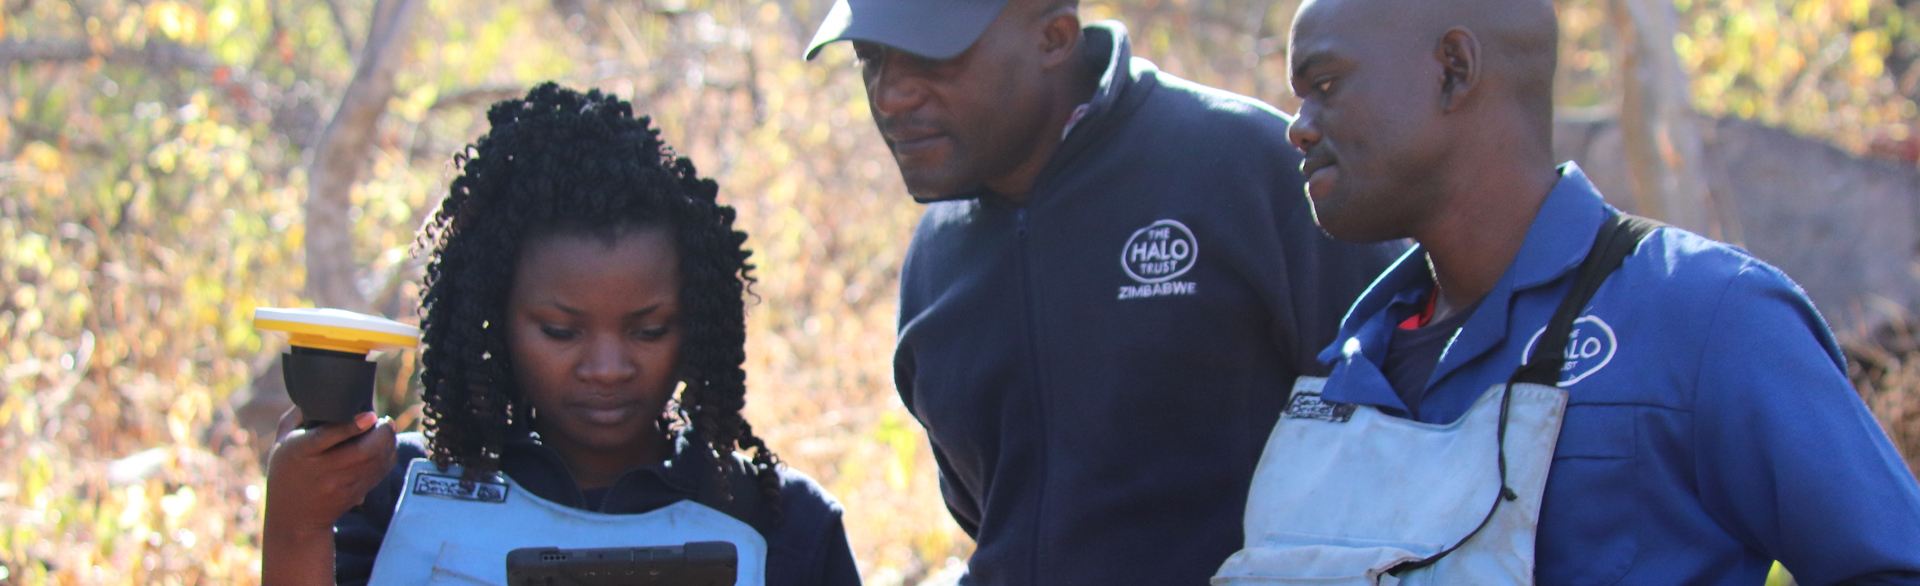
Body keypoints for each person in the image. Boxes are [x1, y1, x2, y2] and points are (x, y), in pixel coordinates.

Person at [1214, 0, 1920, 583]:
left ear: (1454, 70)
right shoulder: (1349, 362)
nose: (1298, 127)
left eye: (1325, 84)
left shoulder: (1705, 315)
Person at [803, 1, 1405, 584]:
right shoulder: (935, 258)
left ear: (1054, 39)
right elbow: (988, 515)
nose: (890, 96)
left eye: (932, 59)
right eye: (871, 58)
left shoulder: (1248, 169)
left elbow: (1404, 431)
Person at [259, 83, 862, 586]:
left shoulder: (785, 524)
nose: (607, 368)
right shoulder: (392, 492)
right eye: (560, 331)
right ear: (496, 319)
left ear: (697, 324)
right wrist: (297, 528)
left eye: (649, 330)